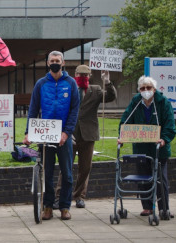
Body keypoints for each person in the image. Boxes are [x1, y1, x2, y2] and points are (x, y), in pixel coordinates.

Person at [23, 51, 80, 220]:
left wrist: (66, 132)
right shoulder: (41, 84)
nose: (55, 63)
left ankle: (64, 207)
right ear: (48, 63)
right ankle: (47, 207)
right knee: (46, 173)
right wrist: (28, 132)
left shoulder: (71, 84)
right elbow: (33, 109)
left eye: (58, 60)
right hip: (45, 135)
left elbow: (75, 110)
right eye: (52, 60)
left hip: (64, 136)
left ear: (63, 63)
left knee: (67, 174)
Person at [53, 65, 117, 209]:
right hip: (70, 133)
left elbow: (111, 97)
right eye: (80, 74)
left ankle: (79, 196)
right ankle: (59, 196)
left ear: (89, 76)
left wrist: (106, 81)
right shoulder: (68, 88)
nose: (82, 77)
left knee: (85, 168)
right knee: (65, 167)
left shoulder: (95, 90)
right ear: (75, 74)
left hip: (88, 134)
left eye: (85, 75)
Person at [118, 75, 176, 217]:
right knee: (143, 178)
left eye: (148, 88)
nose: (145, 90)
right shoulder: (136, 102)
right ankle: (147, 207)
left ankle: (164, 208)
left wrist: (164, 139)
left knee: (160, 179)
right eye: (142, 88)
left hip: (159, 149)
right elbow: (126, 120)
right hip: (141, 148)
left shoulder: (163, 103)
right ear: (139, 90)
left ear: (154, 89)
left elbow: (170, 126)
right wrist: (122, 136)